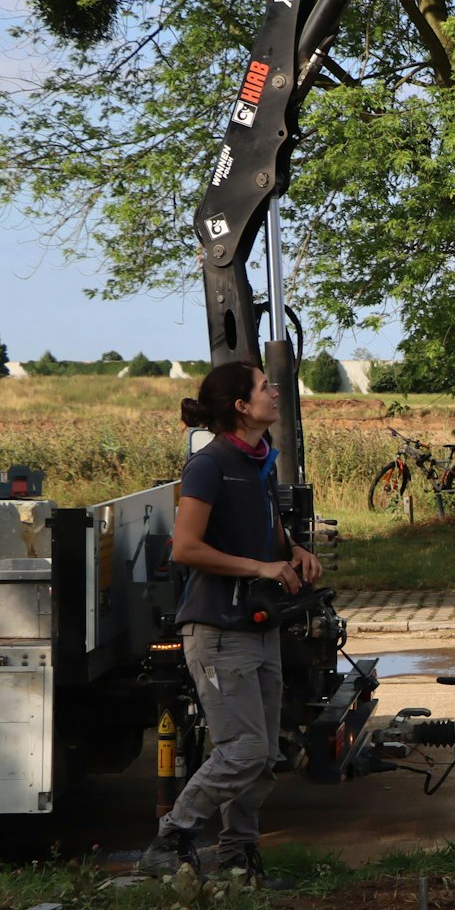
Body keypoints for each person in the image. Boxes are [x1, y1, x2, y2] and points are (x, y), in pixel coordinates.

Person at [140, 361, 323, 880]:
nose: (274, 391)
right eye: (265, 387)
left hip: (256, 630)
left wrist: (294, 550)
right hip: (219, 632)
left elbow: (264, 530)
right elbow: (185, 547)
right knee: (242, 751)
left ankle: (238, 857)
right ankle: (171, 838)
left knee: (263, 758)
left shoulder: (260, 461)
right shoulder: (210, 465)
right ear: (241, 407)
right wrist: (262, 567)